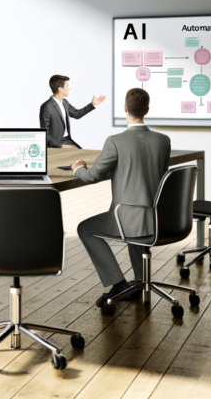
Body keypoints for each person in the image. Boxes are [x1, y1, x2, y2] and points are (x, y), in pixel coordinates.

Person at [71, 88, 171, 306]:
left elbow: (93, 176)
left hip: (128, 220)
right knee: (137, 216)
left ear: (125, 108)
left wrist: (78, 169)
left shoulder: (115, 141)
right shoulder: (163, 141)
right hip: (157, 219)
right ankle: (139, 281)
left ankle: (119, 284)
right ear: (147, 110)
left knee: (85, 229)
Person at [39, 74, 106, 149]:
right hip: (55, 145)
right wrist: (62, 146)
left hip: (66, 140)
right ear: (60, 89)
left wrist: (92, 104)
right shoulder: (46, 107)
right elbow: (45, 134)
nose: (69, 88)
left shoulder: (65, 102)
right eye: (67, 86)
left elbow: (77, 114)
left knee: (82, 155)